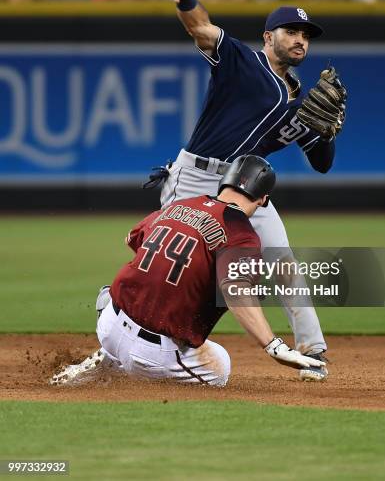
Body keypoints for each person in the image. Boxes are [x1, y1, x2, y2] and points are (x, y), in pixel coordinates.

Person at [144, 0, 347, 381]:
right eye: (291, 31)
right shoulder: (241, 60)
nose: (300, 40)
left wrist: (327, 132)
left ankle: (313, 350)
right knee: (172, 266)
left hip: (246, 192)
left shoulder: (304, 106)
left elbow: (322, 163)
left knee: (283, 259)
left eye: (306, 35)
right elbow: (201, 28)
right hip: (196, 180)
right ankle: (125, 329)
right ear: (268, 36)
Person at [50, 155, 326, 387]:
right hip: (153, 354)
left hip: (109, 324)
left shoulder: (180, 205)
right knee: (221, 367)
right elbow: (236, 292)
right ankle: (126, 367)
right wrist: (274, 346)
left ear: (224, 182)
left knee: (112, 293)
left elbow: (131, 239)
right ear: (264, 199)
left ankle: (107, 357)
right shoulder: (242, 233)